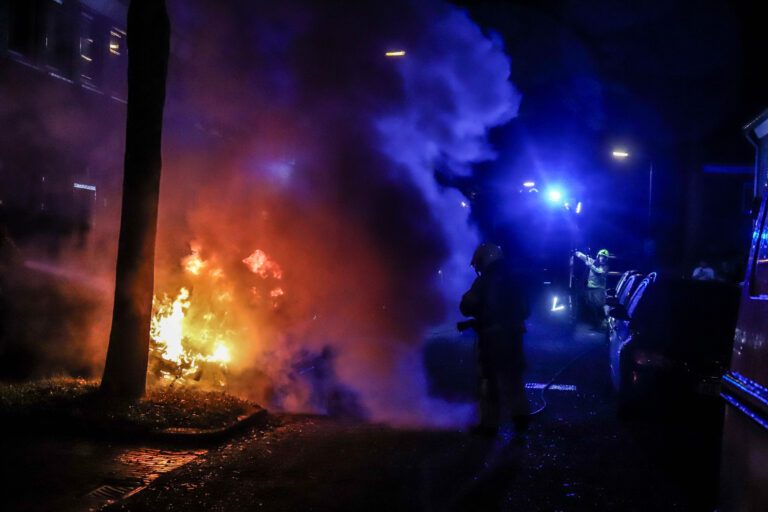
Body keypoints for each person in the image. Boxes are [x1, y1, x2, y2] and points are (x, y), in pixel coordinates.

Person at [459, 242, 530, 436]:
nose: (478, 267)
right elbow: (525, 309)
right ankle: (521, 420)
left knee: (489, 382)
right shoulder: (514, 279)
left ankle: (489, 425)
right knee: (513, 379)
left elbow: (466, 306)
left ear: (484, 259)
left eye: (478, 263)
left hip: (492, 340)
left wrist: (477, 314)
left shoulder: (485, 281)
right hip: (514, 338)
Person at [574, 249, 610, 329]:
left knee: (599, 307)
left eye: (604, 257)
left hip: (599, 290)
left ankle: (603, 324)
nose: (603, 258)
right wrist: (577, 253)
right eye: (601, 256)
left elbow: (599, 272)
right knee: (592, 307)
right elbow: (583, 257)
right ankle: (596, 324)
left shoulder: (605, 267)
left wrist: (590, 265)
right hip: (590, 289)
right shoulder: (593, 262)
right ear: (598, 256)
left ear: (606, 259)